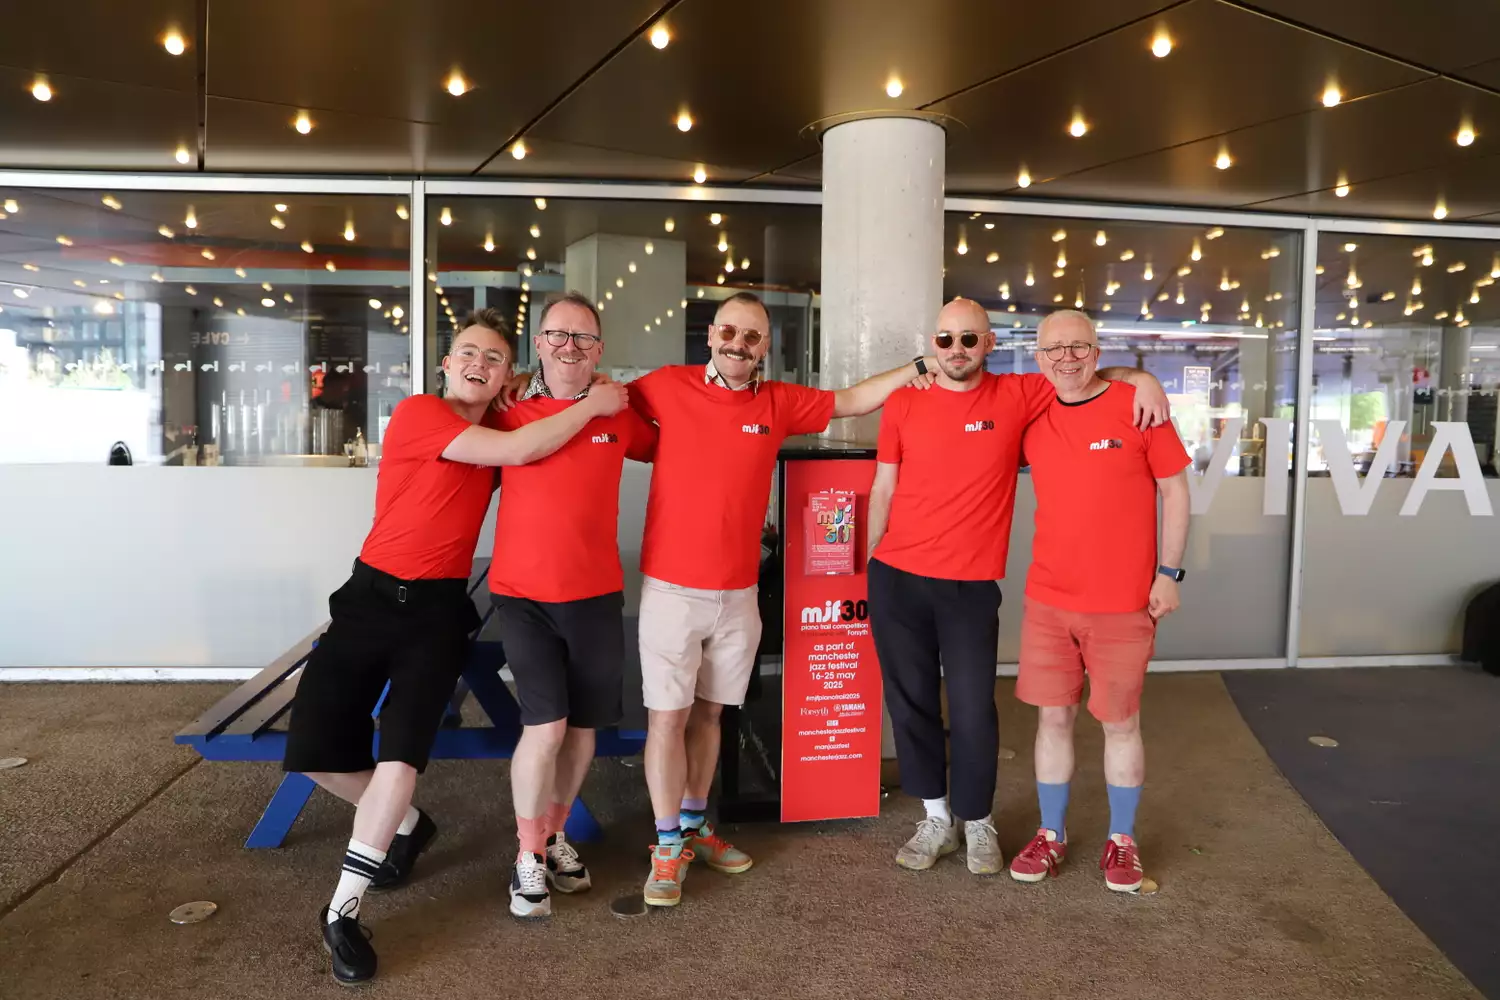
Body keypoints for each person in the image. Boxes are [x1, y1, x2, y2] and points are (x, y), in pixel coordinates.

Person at [281, 309, 628, 985]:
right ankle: (406, 823)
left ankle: (342, 912)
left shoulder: (502, 420)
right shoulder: (421, 414)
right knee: (311, 751)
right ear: (445, 364)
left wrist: (566, 382)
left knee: (401, 753)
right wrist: (592, 404)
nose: (478, 363)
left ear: (504, 377)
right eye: (468, 352)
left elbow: (532, 420)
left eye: (494, 359)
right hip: (370, 597)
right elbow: (522, 451)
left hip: (437, 613)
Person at [629, 291, 936, 907]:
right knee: (667, 718)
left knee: (712, 715)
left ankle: (693, 826)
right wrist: (529, 386)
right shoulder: (666, 385)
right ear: (711, 333)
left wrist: (921, 368)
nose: (738, 345)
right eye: (730, 333)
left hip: (738, 591)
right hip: (671, 588)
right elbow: (599, 401)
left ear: (765, 347)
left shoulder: (778, 402)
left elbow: (849, 400)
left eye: (752, 337)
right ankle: (667, 848)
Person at [865, 297, 1169, 876]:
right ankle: (936, 816)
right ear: (933, 345)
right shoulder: (903, 403)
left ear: (991, 345)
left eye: (970, 340)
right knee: (911, 704)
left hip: (971, 584)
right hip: (896, 576)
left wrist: (1143, 376)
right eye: (946, 340)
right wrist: (866, 567)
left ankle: (977, 821)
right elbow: (882, 488)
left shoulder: (1018, 395)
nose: (957, 350)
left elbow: (1081, 370)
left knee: (976, 708)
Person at [1006, 310, 1190, 892]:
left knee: (1120, 723)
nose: (1067, 358)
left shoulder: (1139, 407)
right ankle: (1052, 834)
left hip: (1122, 603)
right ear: (1037, 358)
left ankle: (1122, 840)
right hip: (1048, 600)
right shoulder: (1033, 412)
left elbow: (1176, 491)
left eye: (1079, 347)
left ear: (1096, 349)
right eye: (1054, 349)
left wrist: (1170, 573)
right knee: (1052, 718)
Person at [486, 293, 656, 919]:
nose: (570, 347)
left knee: (583, 729)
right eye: (558, 335)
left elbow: (674, 446)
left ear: (600, 351)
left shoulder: (619, 412)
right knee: (546, 725)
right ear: (538, 343)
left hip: (594, 593)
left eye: (584, 338)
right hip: (524, 595)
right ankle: (527, 852)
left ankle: (554, 837)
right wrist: (522, 387)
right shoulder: (510, 413)